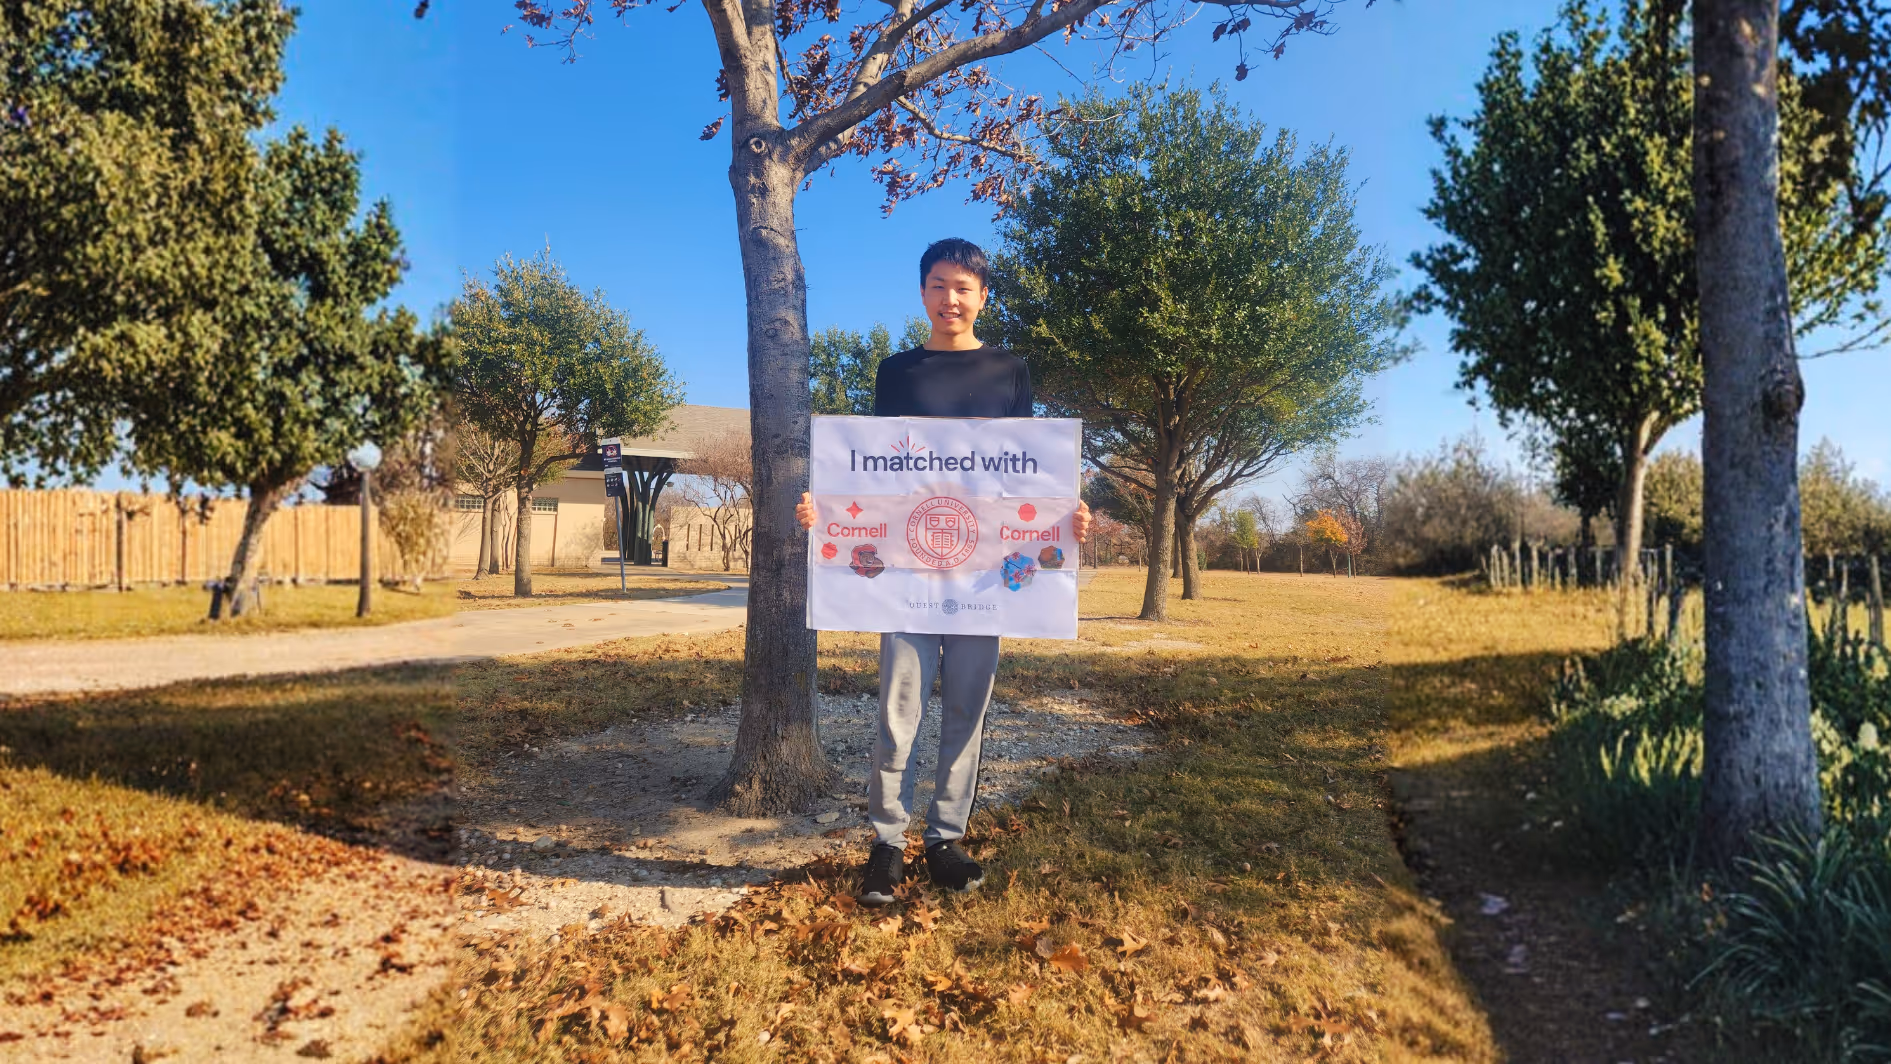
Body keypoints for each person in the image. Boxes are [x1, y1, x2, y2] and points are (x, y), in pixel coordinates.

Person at [797, 237, 1091, 906]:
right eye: (936, 285)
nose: (948, 298)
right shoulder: (896, 371)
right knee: (897, 712)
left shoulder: (1009, 371)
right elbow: (868, 468)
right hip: (904, 571)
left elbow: (1030, 469)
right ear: (922, 292)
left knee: (966, 708)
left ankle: (945, 840)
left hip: (986, 579)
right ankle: (886, 843)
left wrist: (1067, 521)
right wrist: (828, 510)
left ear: (983, 295)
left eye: (962, 287)